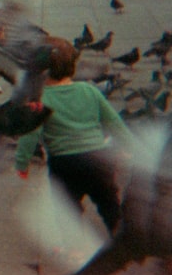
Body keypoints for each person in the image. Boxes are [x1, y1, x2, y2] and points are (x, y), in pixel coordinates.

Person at [14, 37, 134, 236]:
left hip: (64, 163)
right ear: (73, 66)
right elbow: (114, 123)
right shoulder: (90, 91)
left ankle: (73, 246)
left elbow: (30, 133)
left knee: (68, 209)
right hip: (98, 160)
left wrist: (22, 162)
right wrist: (128, 147)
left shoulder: (41, 99)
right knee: (109, 203)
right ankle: (119, 237)